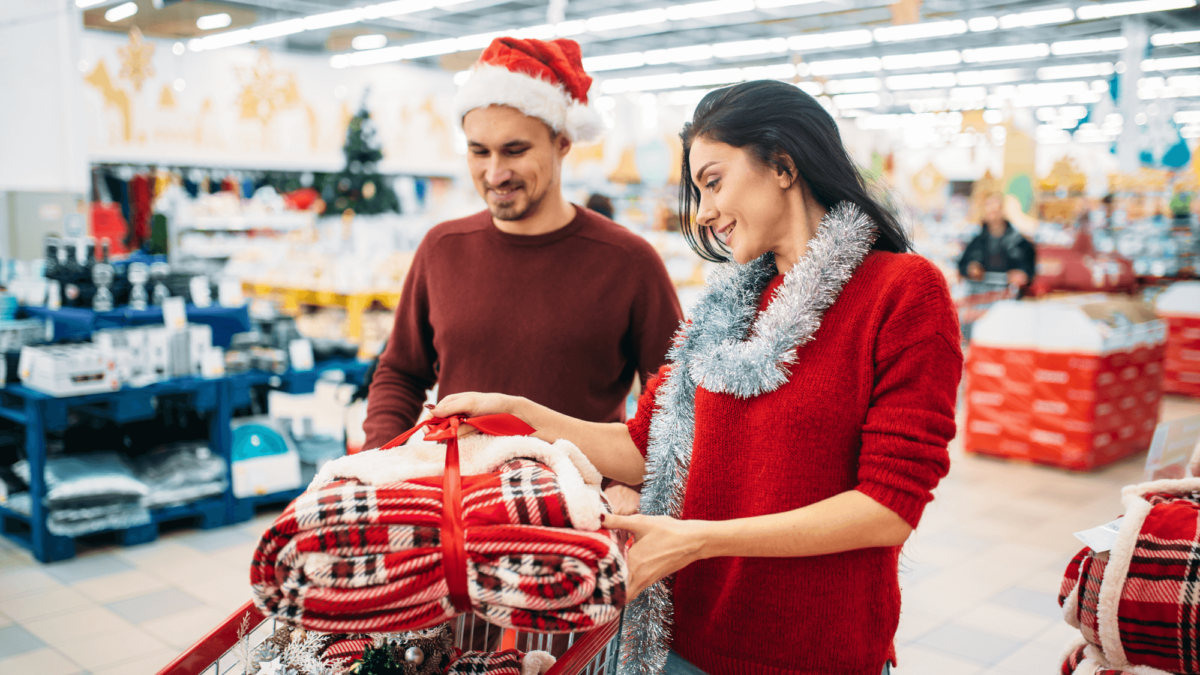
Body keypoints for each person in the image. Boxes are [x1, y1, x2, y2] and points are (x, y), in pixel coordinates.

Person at [433, 80, 962, 675]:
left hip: (812, 651)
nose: (703, 212)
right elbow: (645, 449)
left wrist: (702, 539)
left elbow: (886, 508)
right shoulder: (723, 313)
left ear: (783, 165)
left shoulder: (902, 292)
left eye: (713, 181)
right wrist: (520, 413)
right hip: (681, 642)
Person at [363, 36, 683, 650]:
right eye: (478, 151)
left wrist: (636, 486)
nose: (494, 171)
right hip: (449, 527)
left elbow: (679, 406)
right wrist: (381, 468)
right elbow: (400, 372)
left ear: (563, 143)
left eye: (515, 149)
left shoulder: (628, 263)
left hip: (572, 544)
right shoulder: (441, 250)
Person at [958, 192, 1037, 293]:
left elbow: (1030, 269)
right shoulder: (976, 241)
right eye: (989, 206)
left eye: (996, 208)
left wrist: (1022, 275)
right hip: (981, 294)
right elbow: (962, 265)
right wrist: (970, 268)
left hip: (1011, 296)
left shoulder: (1019, 242)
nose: (993, 211)